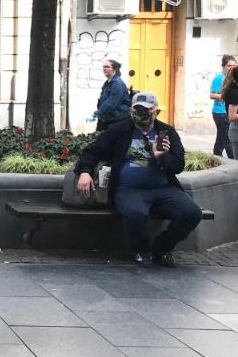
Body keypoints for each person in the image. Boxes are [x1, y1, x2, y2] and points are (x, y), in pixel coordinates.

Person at [74, 91, 203, 268]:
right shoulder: (120, 130)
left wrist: (161, 157)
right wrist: (85, 172)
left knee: (191, 213)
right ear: (130, 111)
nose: (141, 114)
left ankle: (162, 248)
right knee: (135, 214)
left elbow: (178, 165)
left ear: (156, 112)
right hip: (129, 189)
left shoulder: (167, 133)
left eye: (147, 110)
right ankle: (141, 249)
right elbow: (91, 151)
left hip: (164, 189)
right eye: (137, 110)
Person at [210, 54, 237, 160]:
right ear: (224, 66)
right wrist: (225, 96)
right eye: (229, 65)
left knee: (221, 137)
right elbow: (212, 95)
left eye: (234, 65)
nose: (232, 68)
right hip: (220, 112)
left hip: (229, 111)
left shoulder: (234, 79)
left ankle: (216, 157)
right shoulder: (218, 78)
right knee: (227, 138)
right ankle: (233, 160)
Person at [95, 59, 130, 131]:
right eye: (103, 67)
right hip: (108, 118)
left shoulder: (117, 84)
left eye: (107, 67)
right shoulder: (107, 83)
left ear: (114, 69)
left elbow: (112, 102)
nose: (104, 69)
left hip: (117, 119)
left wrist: (99, 113)